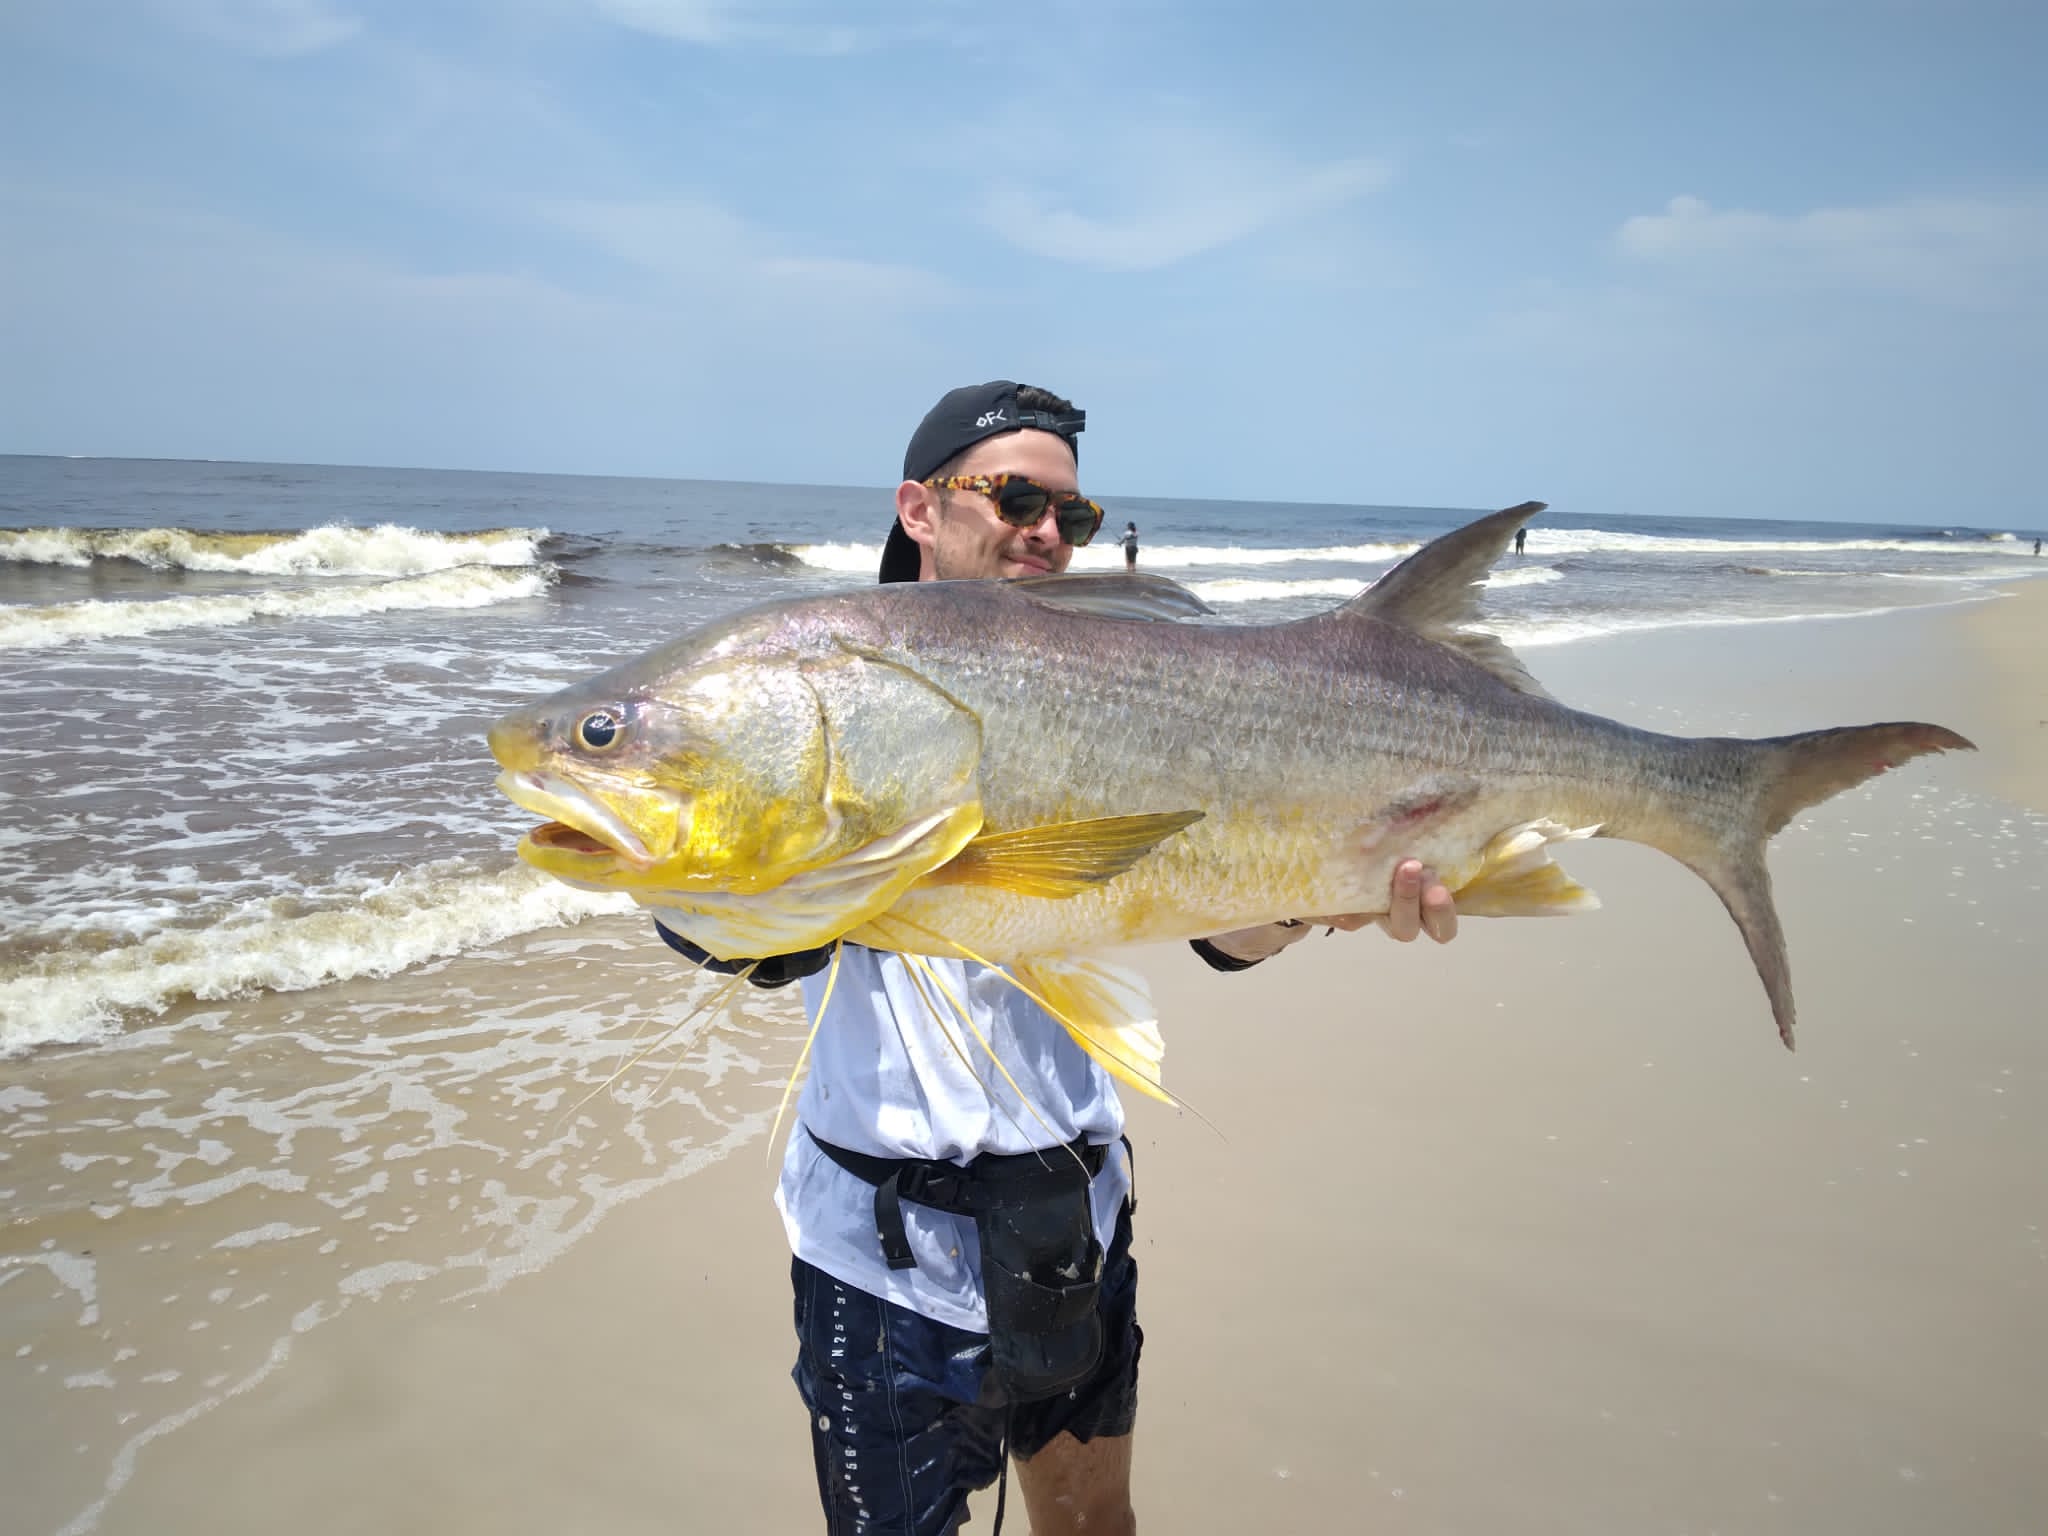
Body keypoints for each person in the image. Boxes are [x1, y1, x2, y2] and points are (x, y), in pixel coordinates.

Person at [658, 380, 1458, 1536]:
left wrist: (1318, 900)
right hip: (885, 1253)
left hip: (1076, 1208)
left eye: (1070, 517)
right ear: (918, 510)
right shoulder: (834, 685)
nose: (1044, 532)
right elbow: (715, 932)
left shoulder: (1128, 676)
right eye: (1016, 498)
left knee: (1093, 1526)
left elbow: (1219, 929)